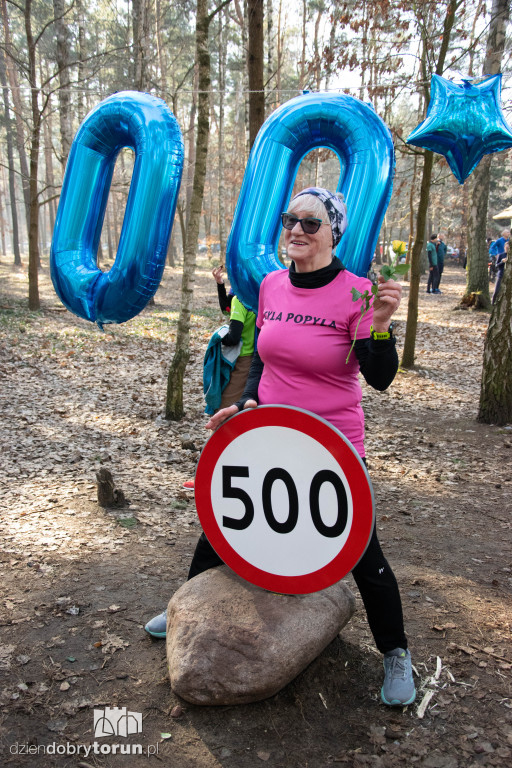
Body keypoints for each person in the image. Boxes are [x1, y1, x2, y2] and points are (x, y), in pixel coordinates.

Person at [146, 187, 416, 708]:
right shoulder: (271, 285)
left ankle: (396, 653)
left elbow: (379, 377)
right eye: (291, 219)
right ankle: (184, 605)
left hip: (330, 447)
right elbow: (263, 359)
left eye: (311, 223)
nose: (296, 229)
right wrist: (247, 405)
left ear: (334, 231)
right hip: (266, 434)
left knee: (361, 550)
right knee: (221, 523)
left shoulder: (357, 291)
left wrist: (380, 326)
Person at [492, 240, 509, 305]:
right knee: (496, 291)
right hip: (501, 274)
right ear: (504, 247)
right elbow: (496, 265)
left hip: (508, 276)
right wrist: (502, 262)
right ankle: (493, 303)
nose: (507, 249)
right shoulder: (501, 255)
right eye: (506, 247)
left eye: (508, 248)